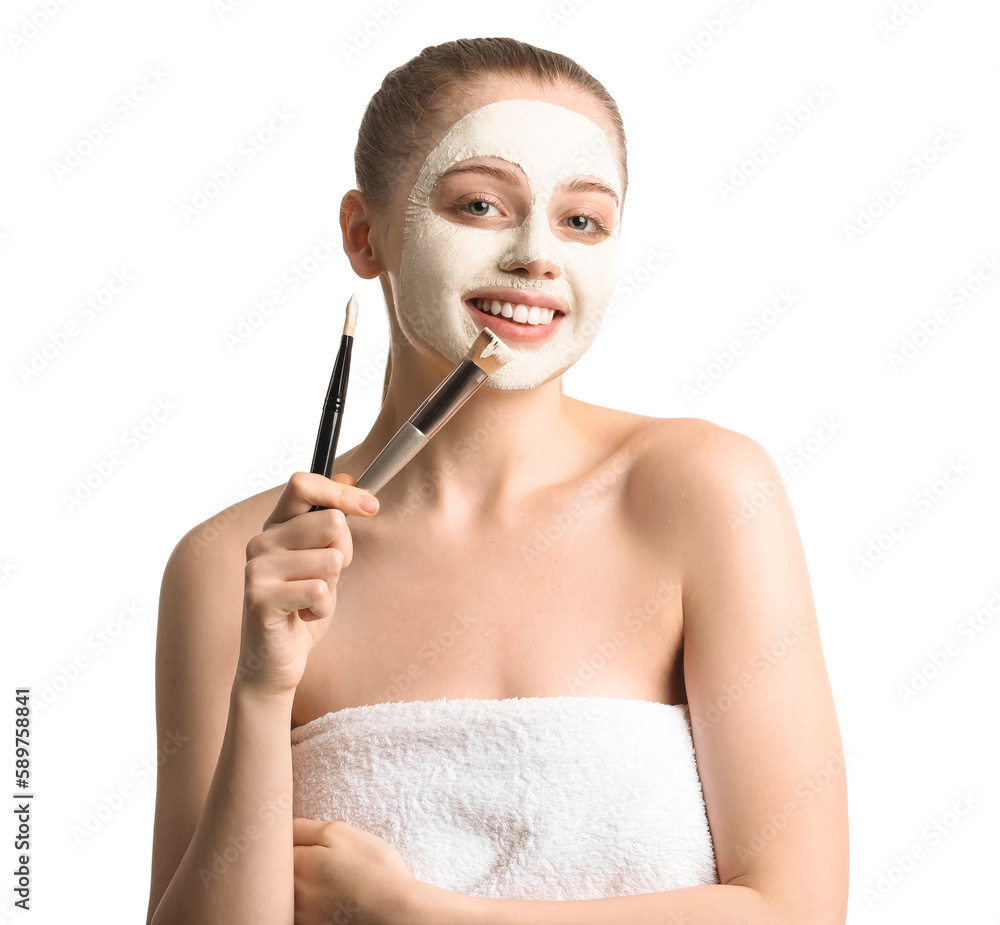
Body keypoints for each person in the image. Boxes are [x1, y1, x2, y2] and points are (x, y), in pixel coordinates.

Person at [145, 36, 848, 925]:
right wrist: (260, 687)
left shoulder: (703, 492)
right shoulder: (232, 567)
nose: (537, 256)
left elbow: (801, 908)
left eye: (582, 220)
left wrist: (424, 917)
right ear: (366, 235)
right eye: (482, 203)